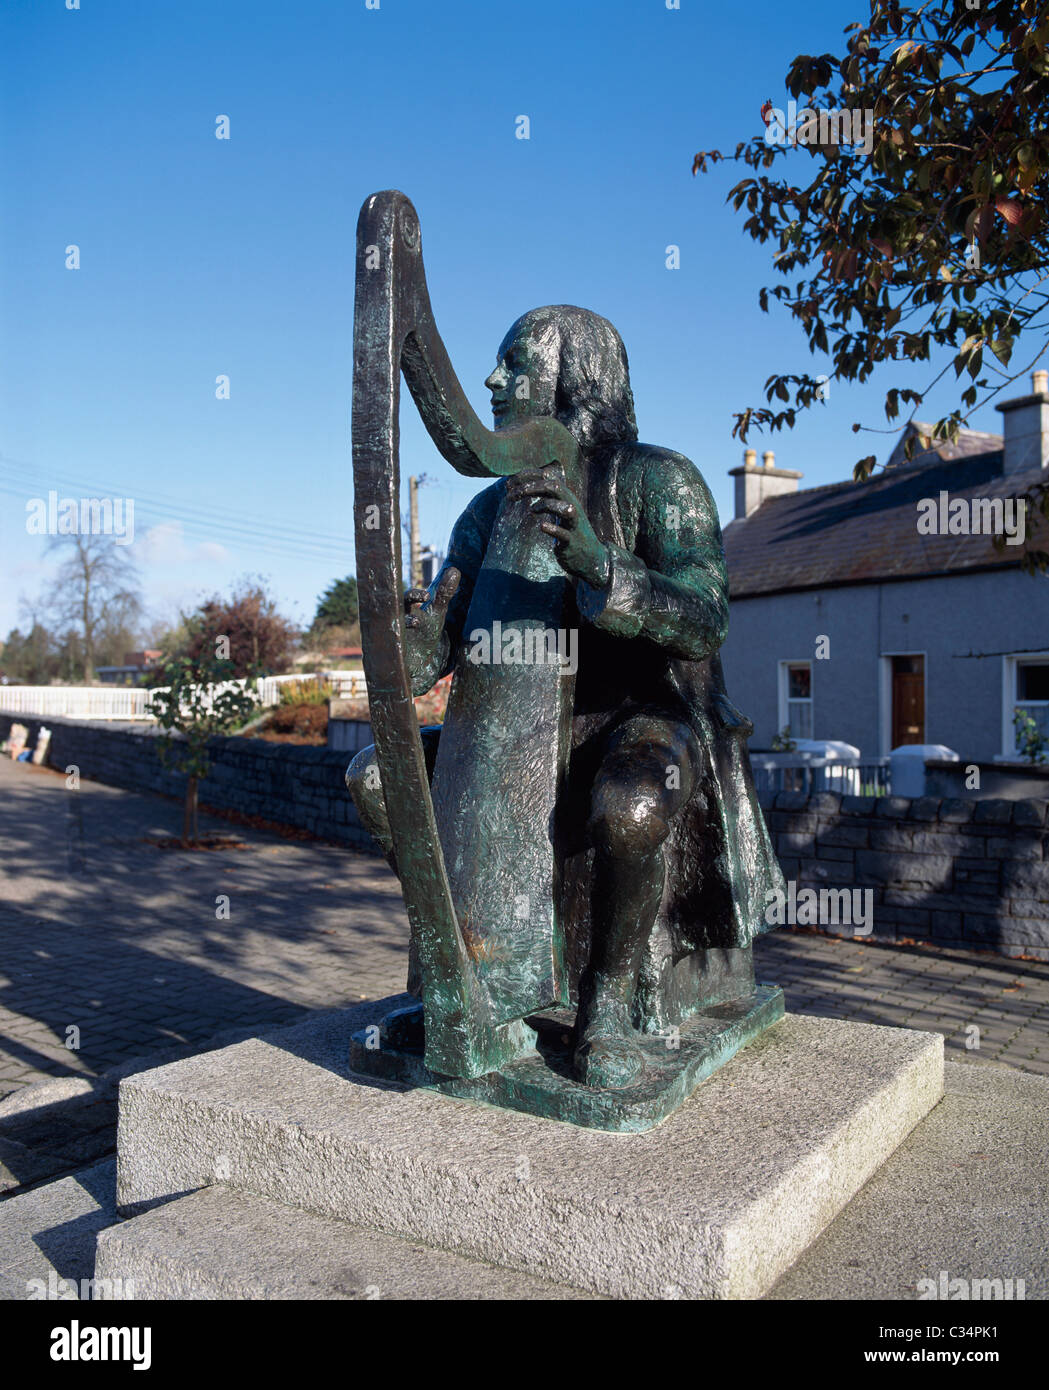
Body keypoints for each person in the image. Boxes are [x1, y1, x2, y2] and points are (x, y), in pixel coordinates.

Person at [349, 305, 782, 1090]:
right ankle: (462, 984)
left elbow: (704, 614)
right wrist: (395, 633)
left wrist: (599, 564)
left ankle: (607, 1006)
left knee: (630, 805)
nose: (491, 379)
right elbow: (437, 640)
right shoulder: (488, 512)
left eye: (514, 362)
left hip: (638, 718)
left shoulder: (659, 479)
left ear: (574, 379)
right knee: (376, 777)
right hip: (512, 738)